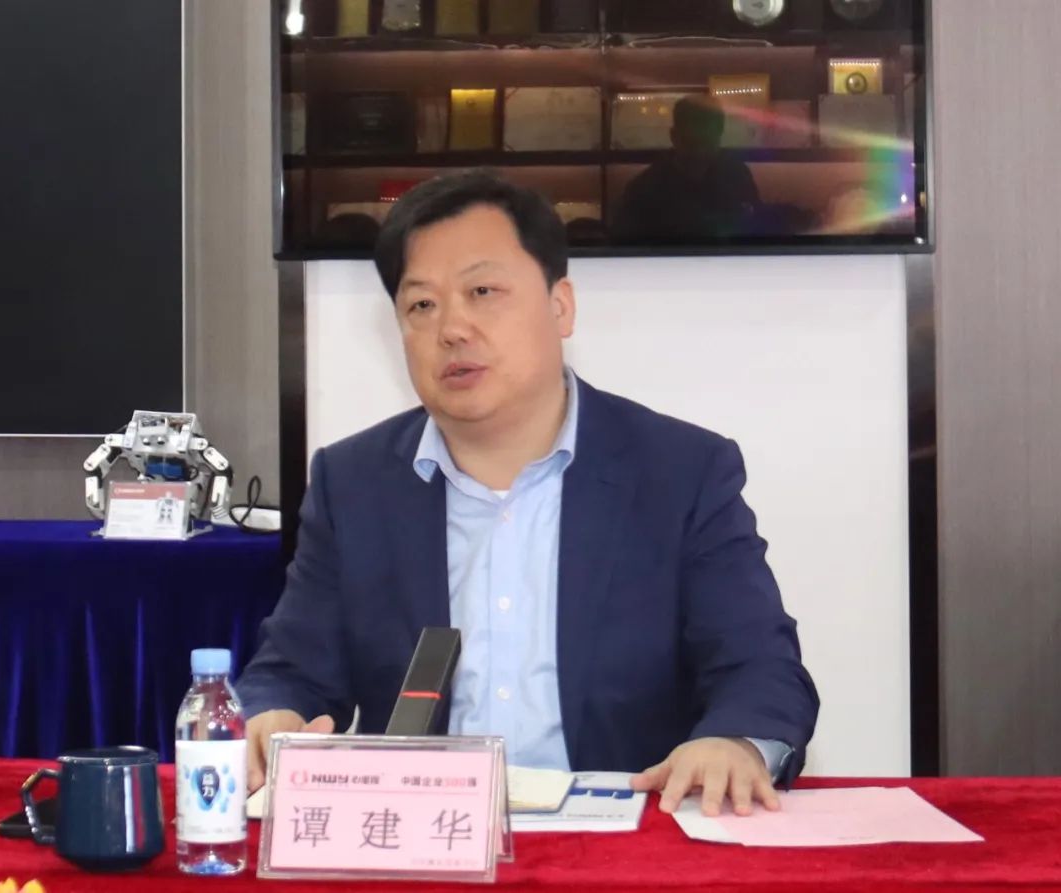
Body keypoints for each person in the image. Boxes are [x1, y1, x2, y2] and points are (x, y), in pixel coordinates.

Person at [236, 169, 819, 817]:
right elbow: (292, 669)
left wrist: (733, 742)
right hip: (425, 838)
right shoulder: (354, 483)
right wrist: (271, 716)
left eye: (482, 291)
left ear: (560, 305)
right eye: (421, 305)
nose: (452, 328)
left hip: (624, 839)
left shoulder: (680, 471)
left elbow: (757, 664)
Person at [611, 95, 761, 243]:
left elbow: (756, 228)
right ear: (674, 136)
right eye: (692, 143)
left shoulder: (737, 176)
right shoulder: (643, 189)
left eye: (707, 142)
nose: (700, 152)